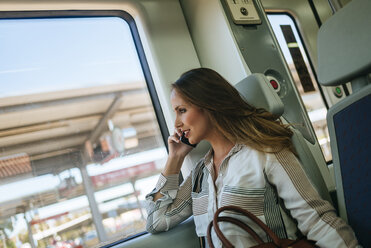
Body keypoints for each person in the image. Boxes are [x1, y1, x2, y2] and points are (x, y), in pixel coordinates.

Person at [145, 68, 359, 248]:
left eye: (182, 110)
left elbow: (316, 219)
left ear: (209, 105)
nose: (176, 124)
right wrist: (175, 158)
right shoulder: (200, 174)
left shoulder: (265, 152)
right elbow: (156, 221)